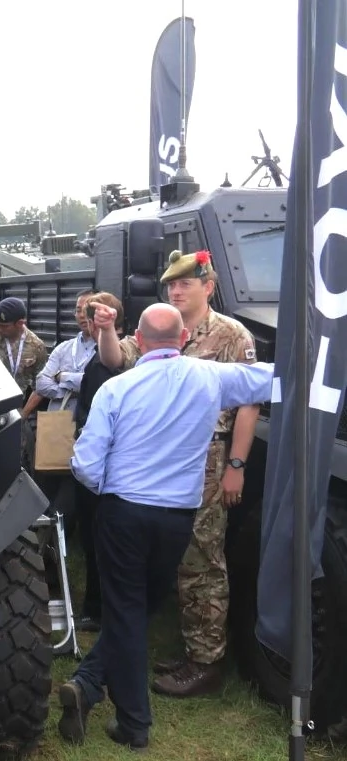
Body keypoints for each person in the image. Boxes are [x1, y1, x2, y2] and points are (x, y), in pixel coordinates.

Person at [57, 303, 273, 750]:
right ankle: (88, 683)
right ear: (181, 339)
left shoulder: (117, 389)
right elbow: (275, 378)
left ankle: (133, 723)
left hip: (123, 512)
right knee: (137, 610)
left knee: (126, 613)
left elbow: (85, 463)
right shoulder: (211, 377)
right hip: (177, 519)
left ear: (138, 336)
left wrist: (109, 489)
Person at [94, 249, 260, 697]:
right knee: (169, 560)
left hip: (207, 460)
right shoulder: (158, 325)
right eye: (172, 284)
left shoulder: (230, 335)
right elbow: (116, 360)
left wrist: (236, 467)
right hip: (156, 460)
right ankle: (192, 650)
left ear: (209, 286)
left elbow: (249, 403)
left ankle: (205, 663)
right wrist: (106, 329)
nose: (177, 289)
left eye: (186, 283)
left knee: (203, 563)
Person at [67, 291, 127, 632]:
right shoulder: (100, 357)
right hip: (97, 458)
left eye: (87, 318)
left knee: (96, 537)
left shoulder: (106, 362)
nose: (83, 323)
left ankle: (98, 610)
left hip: (99, 463)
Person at [0, 297, 50, 471]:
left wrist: (23, 414)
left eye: (5, 326)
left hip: (14, 410)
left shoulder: (36, 347)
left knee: (13, 458)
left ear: (20, 323)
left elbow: (40, 386)